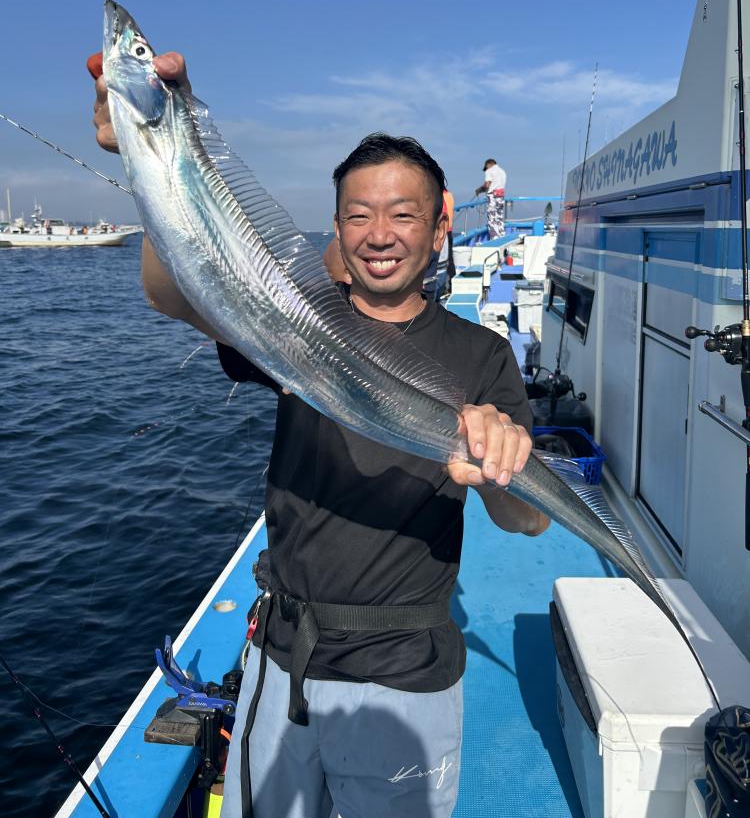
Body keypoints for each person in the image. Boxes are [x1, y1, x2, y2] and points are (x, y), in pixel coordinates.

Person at [92, 55, 549, 818]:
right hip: (281, 658)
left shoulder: (481, 357)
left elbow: (528, 518)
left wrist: (502, 467)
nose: (379, 235)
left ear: (440, 225)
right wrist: (146, 160)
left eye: (403, 215)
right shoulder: (297, 327)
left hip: (403, 675)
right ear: (336, 227)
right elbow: (171, 294)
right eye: (358, 216)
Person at [475, 157, 507, 239]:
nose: (486, 170)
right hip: (501, 195)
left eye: (486, 168)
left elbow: (487, 185)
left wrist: (479, 190)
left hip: (493, 196)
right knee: (499, 216)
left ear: (488, 165)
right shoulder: (502, 172)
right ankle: (501, 235)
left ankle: (494, 237)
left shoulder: (489, 170)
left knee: (492, 217)